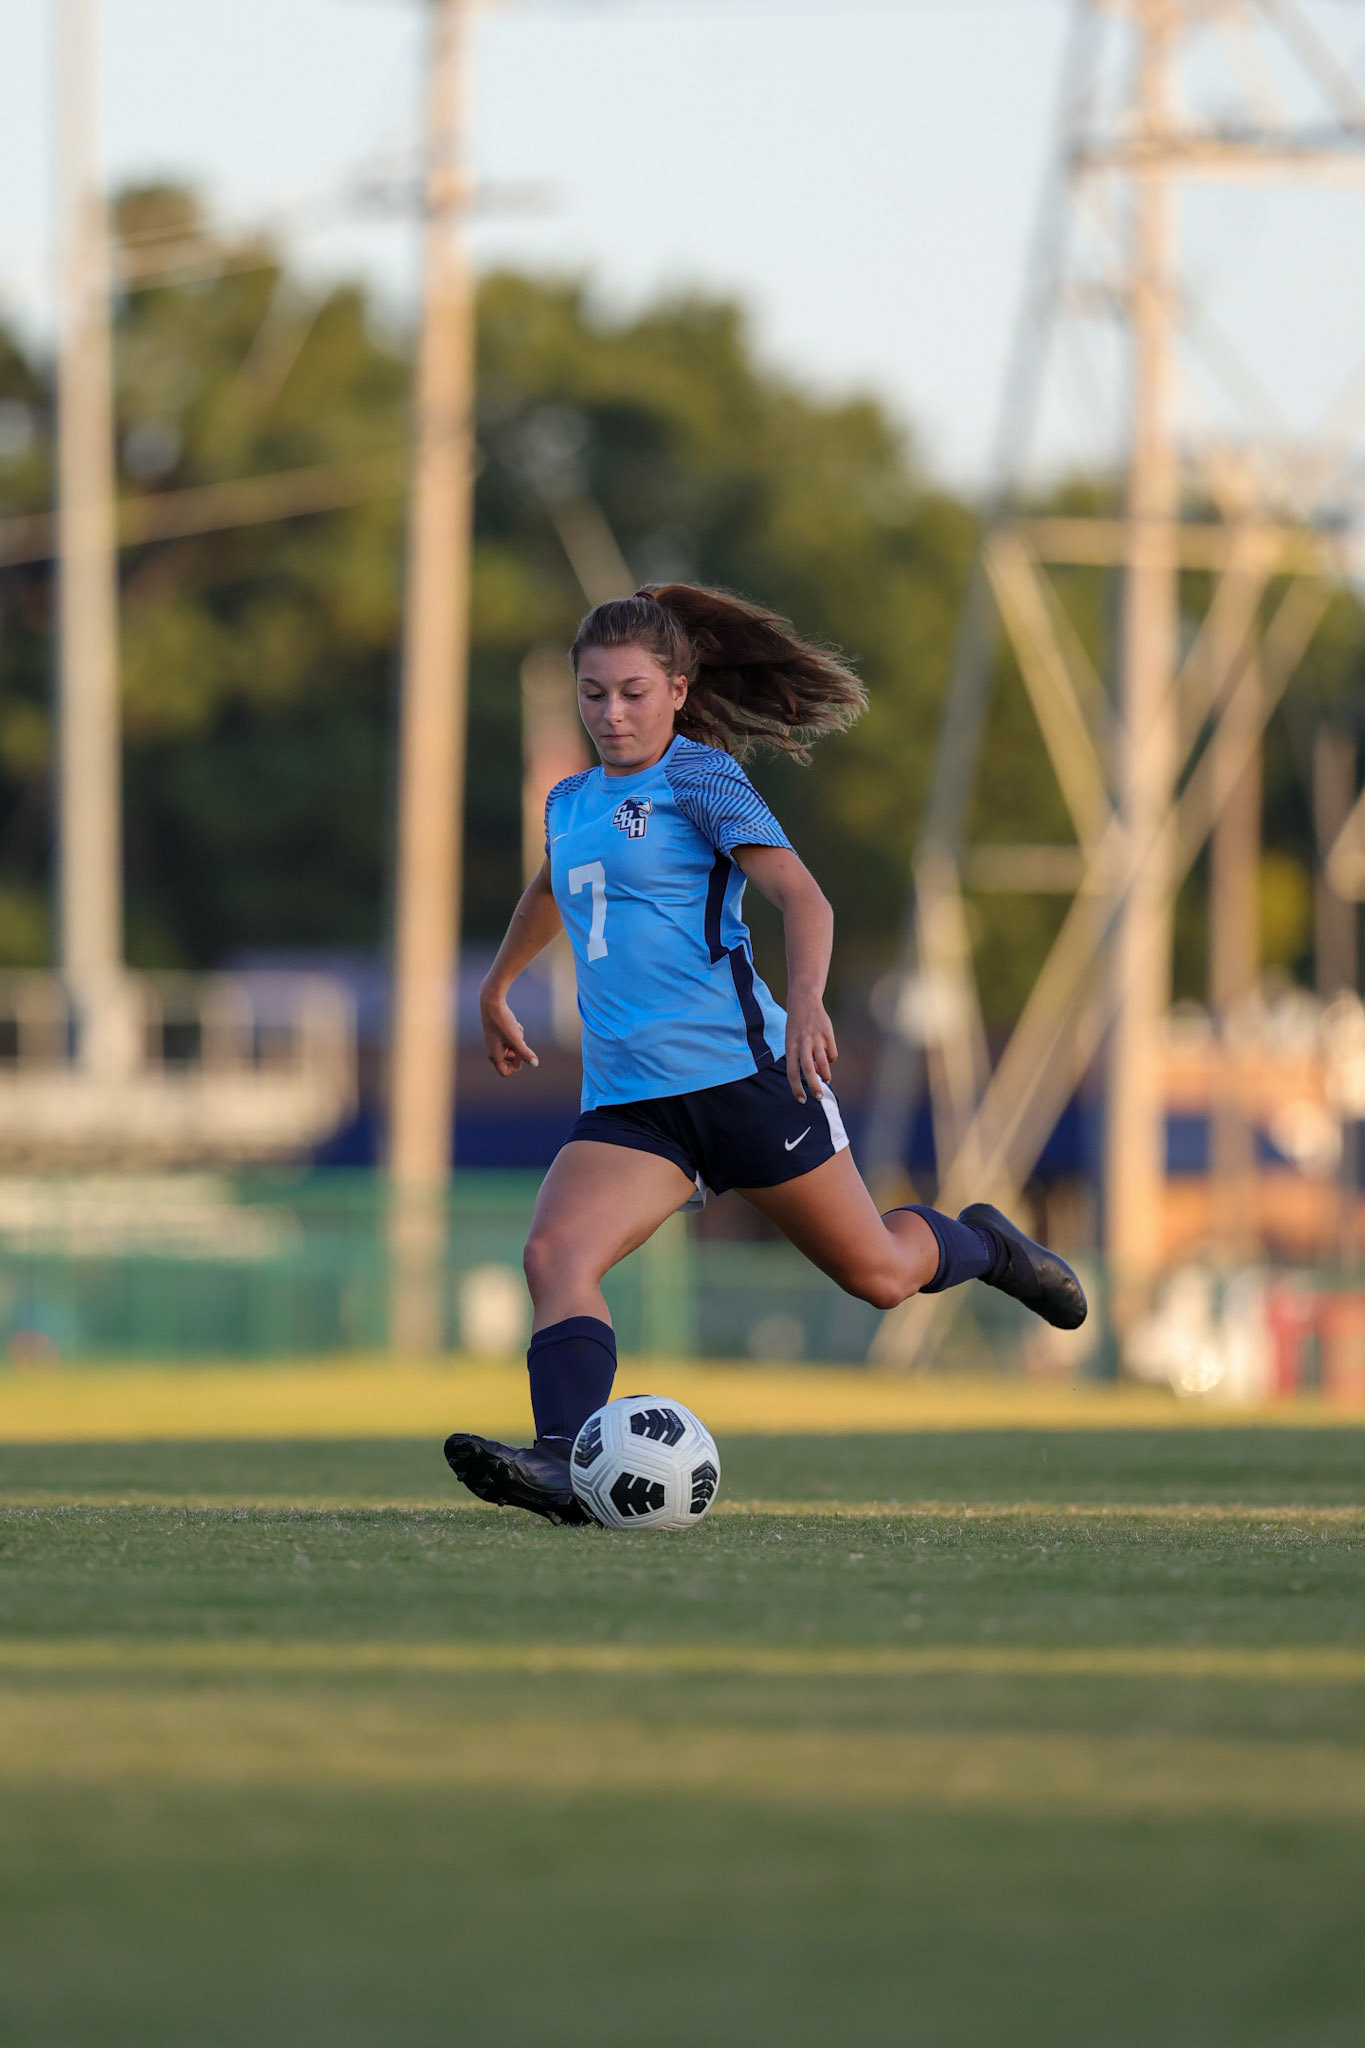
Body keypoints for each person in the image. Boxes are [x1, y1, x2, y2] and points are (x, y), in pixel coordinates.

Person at [444, 585, 1085, 1524]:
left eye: (630, 693)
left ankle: (983, 1243)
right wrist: (497, 987)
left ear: (675, 687)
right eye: (592, 696)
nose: (610, 715)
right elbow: (553, 883)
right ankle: (561, 1466)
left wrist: (813, 1004)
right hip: (632, 1104)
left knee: (878, 1277)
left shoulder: (699, 779)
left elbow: (803, 898)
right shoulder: (570, 798)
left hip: (748, 1081)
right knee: (555, 1255)